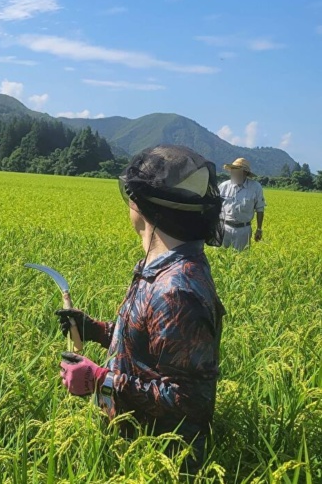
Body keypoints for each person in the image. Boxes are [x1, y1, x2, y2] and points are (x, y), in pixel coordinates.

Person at [56, 145, 225, 474]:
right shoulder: (161, 267)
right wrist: (93, 329)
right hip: (133, 442)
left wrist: (101, 380)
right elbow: (149, 347)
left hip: (159, 460)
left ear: (146, 205)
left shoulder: (176, 290)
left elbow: (189, 399)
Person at [219, 158, 266, 251]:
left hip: (243, 230)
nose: (234, 173)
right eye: (233, 171)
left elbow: (260, 209)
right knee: (220, 257)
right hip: (224, 228)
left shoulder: (255, 187)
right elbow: (215, 205)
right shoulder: (224, 186)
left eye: (237, 171)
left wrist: (259, 229)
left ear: (245, 173)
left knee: (241, 258)